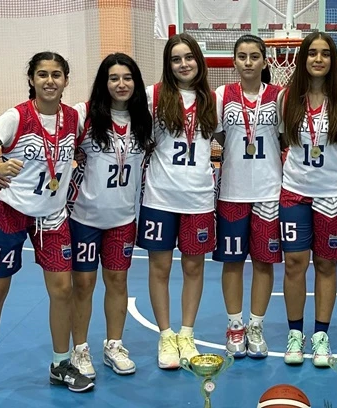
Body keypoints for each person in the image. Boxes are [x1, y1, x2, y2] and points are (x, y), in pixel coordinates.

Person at [0, 51, 94, 407]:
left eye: (57, 74)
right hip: (10, 211)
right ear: (31, 79)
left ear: (66, 80)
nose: (50, 80)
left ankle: (60, 364)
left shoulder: (74, 118)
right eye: (42, 74)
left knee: (62, 290)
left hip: (52, 215)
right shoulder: (16, 117)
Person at [278, 32, 337, 367]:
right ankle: (295, 334)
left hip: (334, 194)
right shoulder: (287, 98)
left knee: (327, 265)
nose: (318, 59)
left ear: (333, 60)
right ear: (303, 58)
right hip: (294, 190)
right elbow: (281, 140)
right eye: (312, 53)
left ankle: (321, 336)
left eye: (325, 53)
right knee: (294, 264)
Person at [66, 53, 153, 377]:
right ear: (104, 83)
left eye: (127, 78)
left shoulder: (144, 120)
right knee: (83, 284)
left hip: (123, 219)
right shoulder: (84, 115)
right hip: (85, 218)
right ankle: (80, 349)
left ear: (136, 82)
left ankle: (113, 345)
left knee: (117, 281)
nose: (121, 84)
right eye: (114, 78)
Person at [137, 33, 218, 369]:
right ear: (168, 65)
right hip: (160, 197)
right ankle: (166, 335)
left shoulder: (213, 100)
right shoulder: (153, 96)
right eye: (176, 59)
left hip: (199, 198)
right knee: (160, 268)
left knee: (194, 268)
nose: (183, 64)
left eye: (189, 57)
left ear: (198, 60)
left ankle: (187, 334)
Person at [213, 35, 282, 358]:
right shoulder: (222, 95)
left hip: (269, 191)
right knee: (233, 261)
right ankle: (235, 325)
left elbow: (285, 137)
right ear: (234, 61)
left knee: (264, 262)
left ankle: (256, 325)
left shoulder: (279, 96)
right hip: (232, 191)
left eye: (255, 56)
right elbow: (219, 134)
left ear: (265, 61)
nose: (249, 62)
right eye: (242, 56)